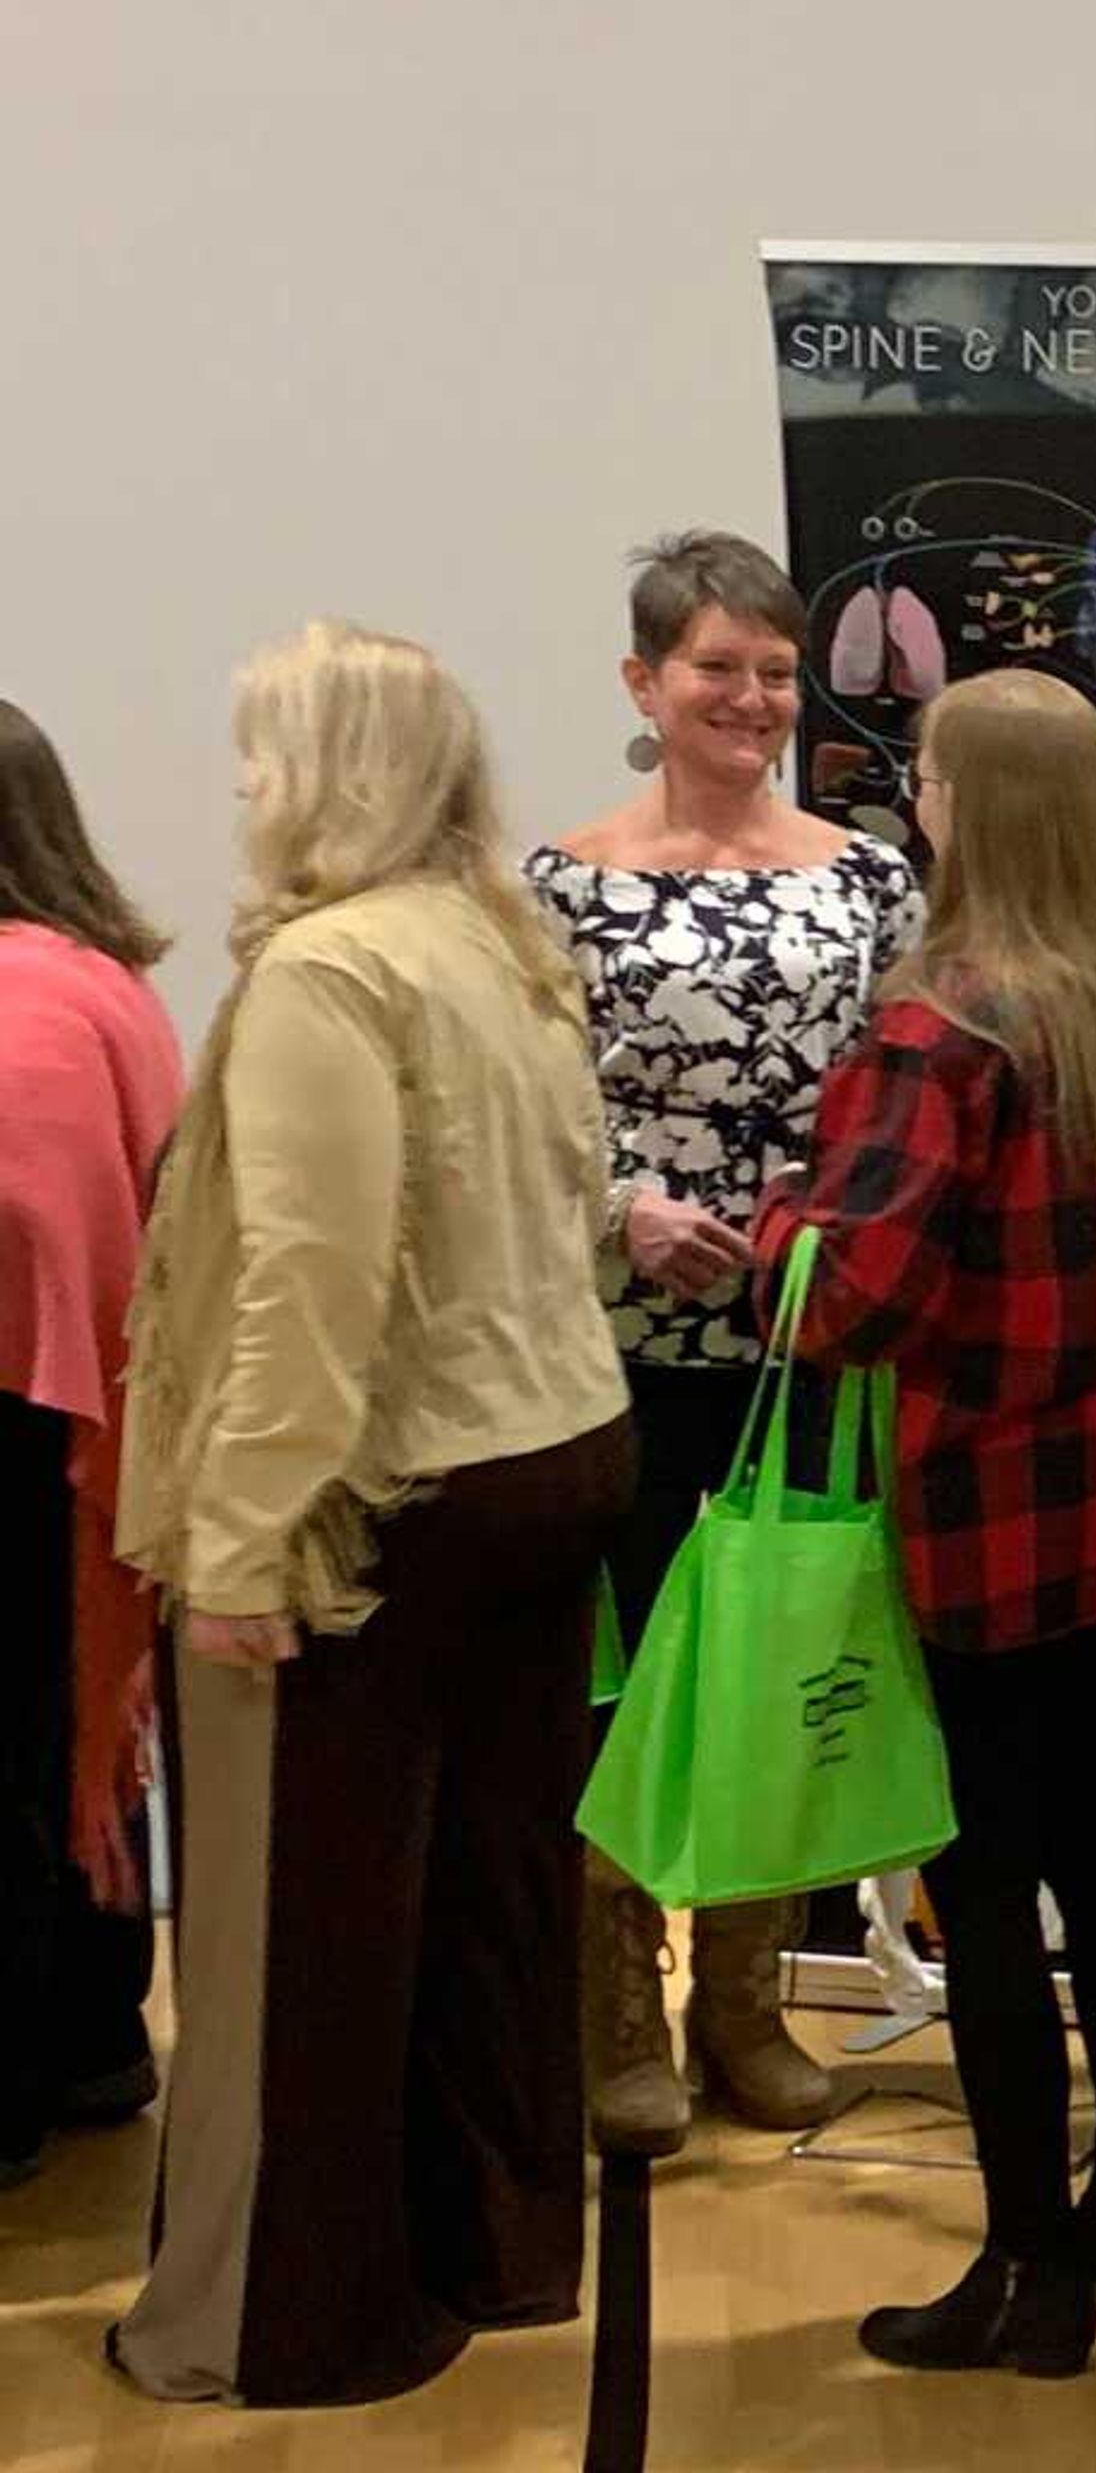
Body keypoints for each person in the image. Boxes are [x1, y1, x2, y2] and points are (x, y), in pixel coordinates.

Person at [111, 625, 635, 2407]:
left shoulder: (329, 974)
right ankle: (488, 2251)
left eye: (263, 753)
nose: (244, 788)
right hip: (556, 1448)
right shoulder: (503, 947)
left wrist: (243, 1544)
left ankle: (287, 2322)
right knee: (490, 1891)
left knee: (297, 1934)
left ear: (335, 774)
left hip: (393, 1498)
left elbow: (310, 1290)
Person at [753, 667, 1096, 2379]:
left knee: (983, 1885)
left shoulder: (945, 1031)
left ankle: (1026, 2272)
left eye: (935, 781)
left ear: (974, 810)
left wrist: (762, 1232)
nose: (919, 805)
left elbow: (851, 1304)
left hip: (982, 1526)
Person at [529, 530, 919, 2154]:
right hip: (610, 1351)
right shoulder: (560, 887)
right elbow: (521, 1120)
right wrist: (619, 1209)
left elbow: (907, 1111)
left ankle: (745, 2011)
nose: (750, 698)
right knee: (614, 1691)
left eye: (773, 670)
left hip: (799, 1353)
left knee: (772, 1675)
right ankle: (618, 2021)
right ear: (643, 682)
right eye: (716, 668)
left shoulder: (871, 877)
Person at [0, 705, 183, 2190]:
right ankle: (94, 2037)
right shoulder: (110, 987)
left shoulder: (24, 1002)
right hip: (105, 1427)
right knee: (72, 1718)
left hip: (18, 1417)